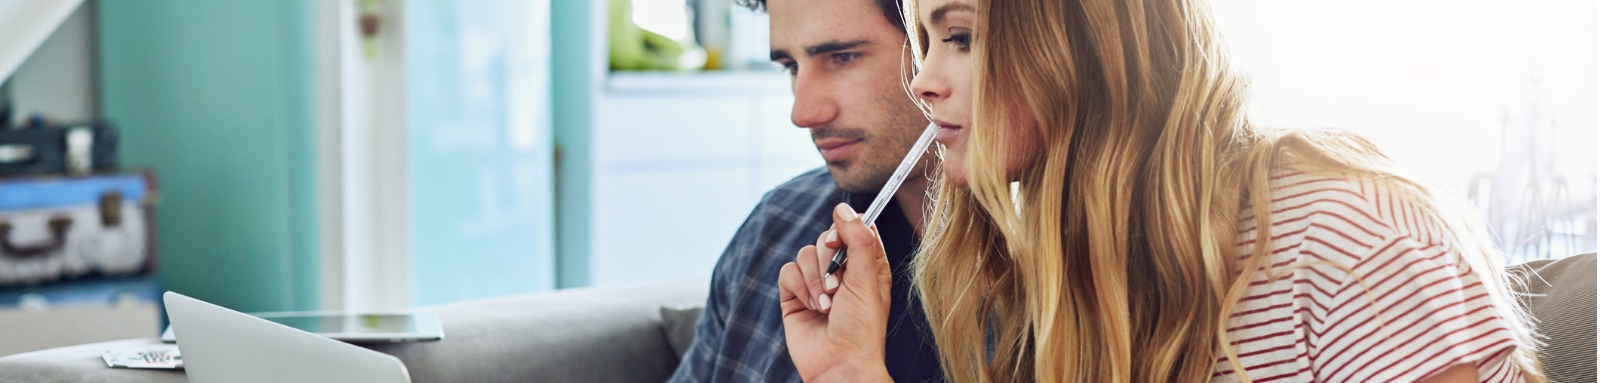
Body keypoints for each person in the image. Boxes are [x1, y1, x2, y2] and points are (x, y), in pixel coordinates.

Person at [778, 0, 1547, 381]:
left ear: (1084, 36)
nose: (922, 81)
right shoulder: (1067, 271)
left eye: (962, 37)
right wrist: (852, 371)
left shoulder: (1346, 234)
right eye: (923, 41)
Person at [666, 0, 944, 381]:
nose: (803, 113)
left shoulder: (1040, 267)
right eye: (791, 67)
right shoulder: (777, 223)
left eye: (843, 57)